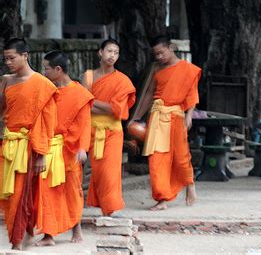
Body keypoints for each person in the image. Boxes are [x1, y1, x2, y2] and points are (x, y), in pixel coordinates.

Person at [0, 38, 57, 250]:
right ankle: (23, 234)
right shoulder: (6, 80)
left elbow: (47, 122)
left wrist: (42, 153)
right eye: (5, 58)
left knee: (20, 194)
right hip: (9, 144)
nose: (8, 62)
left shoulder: (43, 84)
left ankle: (17, 241)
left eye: (12, 58)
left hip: (29, 146)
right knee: (11, 194)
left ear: (25, 56)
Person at [132, 35, 200, 210]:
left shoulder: (188, 69)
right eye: (156, 55)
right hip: (156, 116)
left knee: (181, 155)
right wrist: (136, 117)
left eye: (161, 53)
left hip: (176, 115)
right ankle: (162, 199)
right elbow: (148, 95)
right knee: (156, 158)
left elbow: (192, 94)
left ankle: (189, 184)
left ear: (171, 47)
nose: (159, 57)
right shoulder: (156, 69)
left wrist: (189, 115)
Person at [36, 51, 94, 246]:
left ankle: (76, 229)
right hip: (50, 148)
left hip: (70, 149)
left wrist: (82, 148)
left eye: (46, 68)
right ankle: (48, 235)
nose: (44, 72)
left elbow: (85, 124)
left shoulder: (80, 94)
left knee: (71, 190)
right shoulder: (48, 91)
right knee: (46, 191)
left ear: (58, 70)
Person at [82, 39, 136, 215]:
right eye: (109, 51)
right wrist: (98, 104)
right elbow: (82, 103)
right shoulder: (88, 76)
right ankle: (100, 205)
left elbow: (117, 110)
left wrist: (92, 101)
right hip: (91, 130)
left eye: (116, 52)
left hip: (113, 131)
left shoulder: (122, 81)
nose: (112, 56)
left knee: (110, 171)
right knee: (95, 171)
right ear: (100, 52)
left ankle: (110, 209)